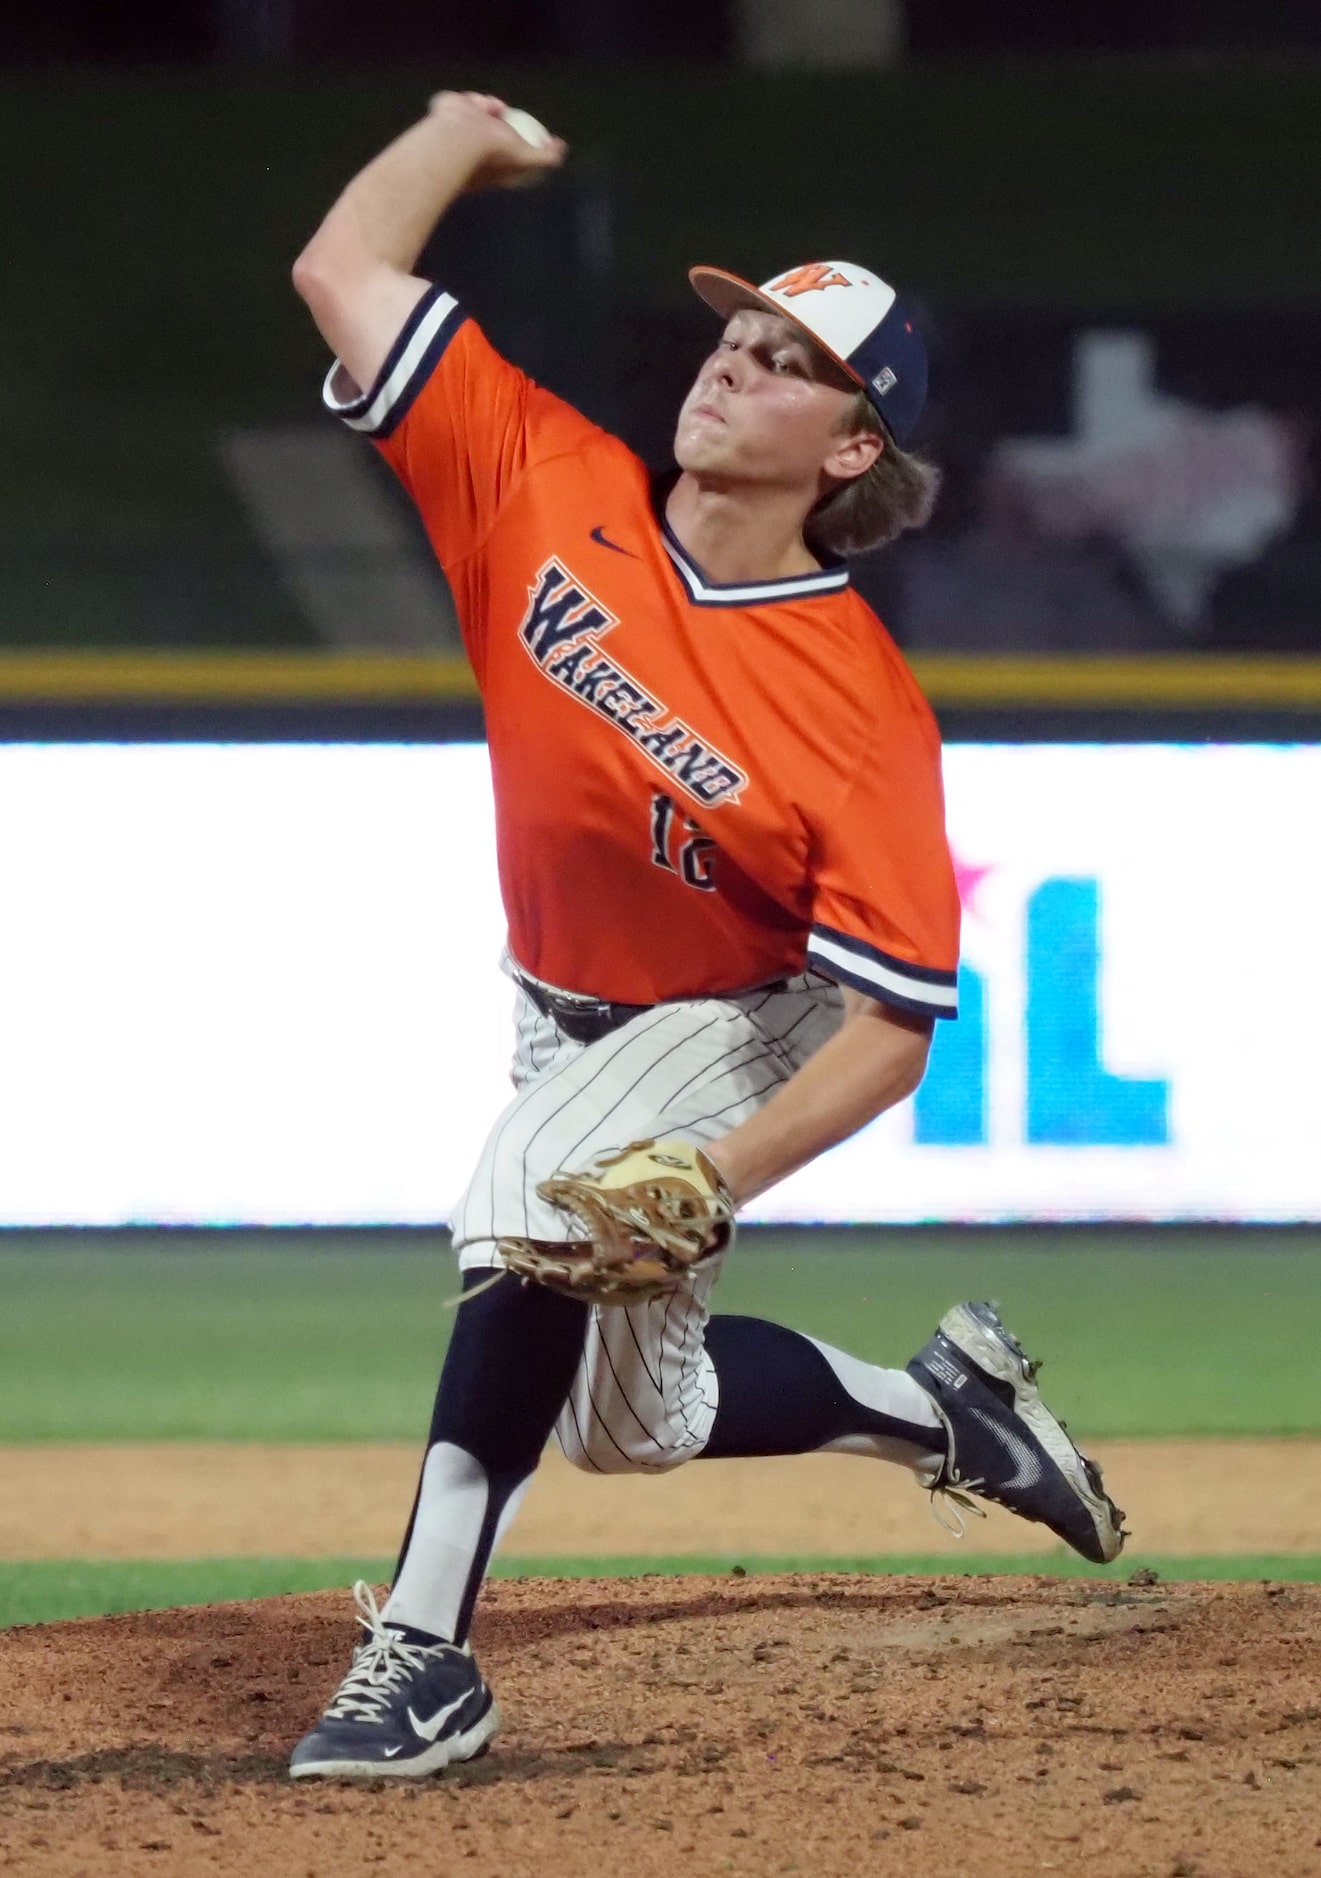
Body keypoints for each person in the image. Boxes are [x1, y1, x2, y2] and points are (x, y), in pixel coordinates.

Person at [286, 92, 1126, 1781]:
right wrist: (458, 127)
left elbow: (893, 1027)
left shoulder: (858, 709)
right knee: (631, 1424)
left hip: (745, 1017)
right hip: (555, 1003)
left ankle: (425, 1653)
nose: (729, 361)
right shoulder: (536, 475)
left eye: (786, 356)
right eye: (732, 331)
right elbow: (342, 264)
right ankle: (941, 1406)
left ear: (849, 450)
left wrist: (721, 1171)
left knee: (529, 1198)